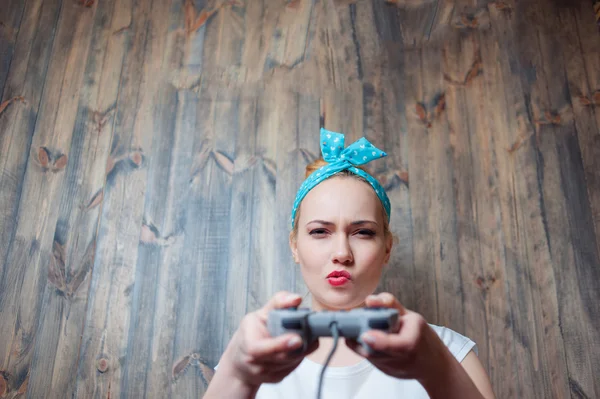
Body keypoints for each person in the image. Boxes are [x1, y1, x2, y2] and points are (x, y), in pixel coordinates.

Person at [205, 128, 496, 399]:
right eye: (320, 231)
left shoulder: (450, 353)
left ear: (387, 249)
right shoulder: (251, 355)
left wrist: (438, 369)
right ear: (294, 246)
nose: (342, 252)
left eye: (364, 232)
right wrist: (236, 373)